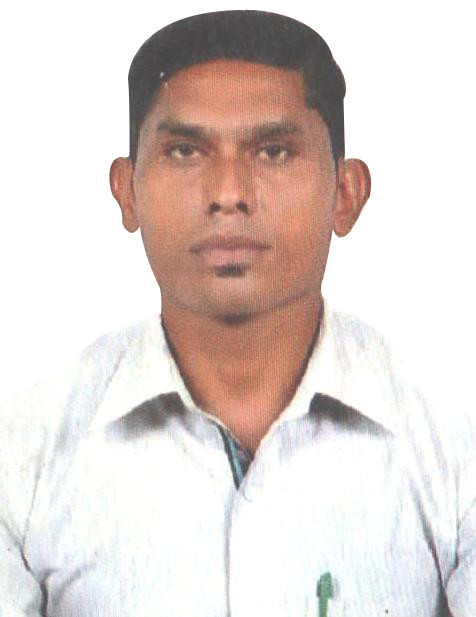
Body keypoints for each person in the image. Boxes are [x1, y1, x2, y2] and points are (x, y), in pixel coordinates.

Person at [0, 10, 474, 617]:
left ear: (346, 193)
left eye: (273, 151)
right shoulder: (23, 454)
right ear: (127, 191)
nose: (228, 193)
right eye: (184, 151)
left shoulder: (455, 446)